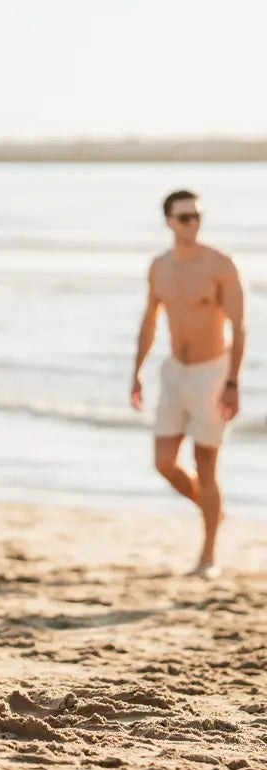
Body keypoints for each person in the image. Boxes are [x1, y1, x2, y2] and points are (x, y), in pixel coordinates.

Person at [131, 190, 246, 579]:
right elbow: (149, 321)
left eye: (197, 216)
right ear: (167, 221)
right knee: (164, 462)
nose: (192, 223)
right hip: (175, 372)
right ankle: (214, 512)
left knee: (206, 467)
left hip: (212, 373)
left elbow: (239, 325)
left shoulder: (220, 264)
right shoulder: (159, 267)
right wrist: (137, 372)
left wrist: (233, 382)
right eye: (184, 218)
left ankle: (208, 556)